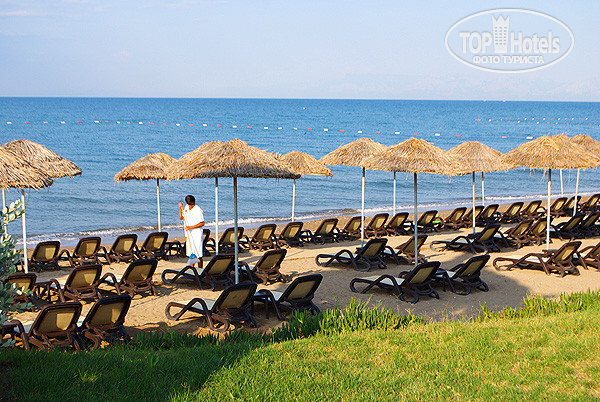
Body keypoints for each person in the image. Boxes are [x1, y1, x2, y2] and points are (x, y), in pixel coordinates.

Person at [179, 195, 205, 268]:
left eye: (192, 204)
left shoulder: (198, 210)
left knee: (198, 254)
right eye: (189, 204)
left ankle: (200, 269)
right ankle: (191, 269)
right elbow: (181, 217)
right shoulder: (186, 207)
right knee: (191, 253)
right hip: (189, 234)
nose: (190, 206)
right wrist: (180, 208)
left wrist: (190, 227)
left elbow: (202, 223)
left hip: (196, 234)